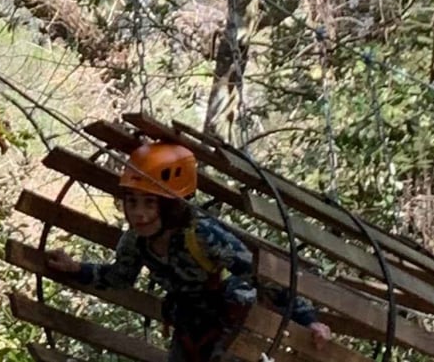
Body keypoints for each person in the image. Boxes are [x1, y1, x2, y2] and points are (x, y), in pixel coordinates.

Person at [46, 142, 331, 362]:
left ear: (169, 205)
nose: (139, 213)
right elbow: (119, 277)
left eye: (149, 203)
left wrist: (309, 321)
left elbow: (264, 279)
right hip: (187, 324)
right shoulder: (136, 241)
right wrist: (76, 268)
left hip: (231, 322)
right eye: (132, 202)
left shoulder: (203, 235)